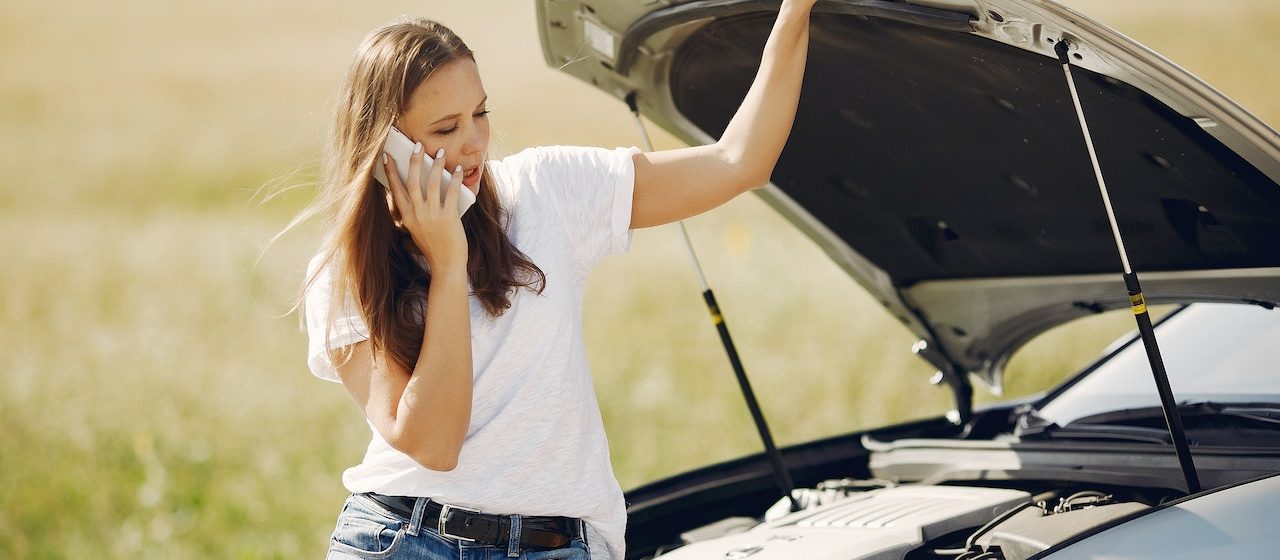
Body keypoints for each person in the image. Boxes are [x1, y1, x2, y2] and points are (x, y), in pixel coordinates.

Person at [301, 2, 817, 559]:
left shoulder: (544, 191)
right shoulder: (342, 274)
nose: (475, 141)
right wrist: (448, 264)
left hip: (557, 544)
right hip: (400, 538)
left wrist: (795, 11)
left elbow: (739, 162)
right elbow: (433, 443)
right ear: (385, 149)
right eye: (446, 128)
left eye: (480, 113)